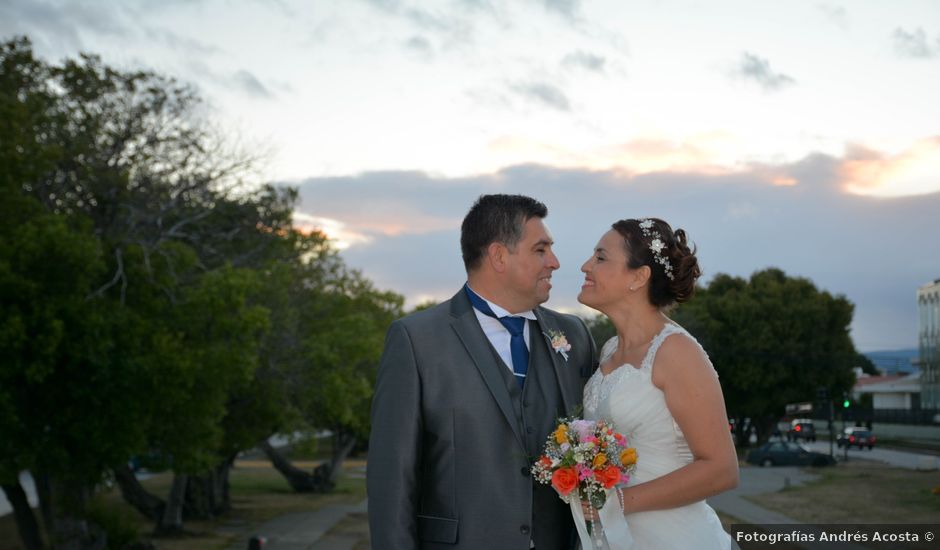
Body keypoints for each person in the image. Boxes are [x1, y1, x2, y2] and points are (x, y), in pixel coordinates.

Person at [368, 194, 597, 549]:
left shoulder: (574, 336)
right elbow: (392, 480)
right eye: (540, 250)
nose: (554, 262)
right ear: (498, 256)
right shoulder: (417, 340)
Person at [578, 217, 738, 549]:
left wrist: (618, 503)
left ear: (639, 276)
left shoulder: (676, 351)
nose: (586, 266)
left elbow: (722, 469)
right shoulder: (609, 349)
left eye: (601, 257)